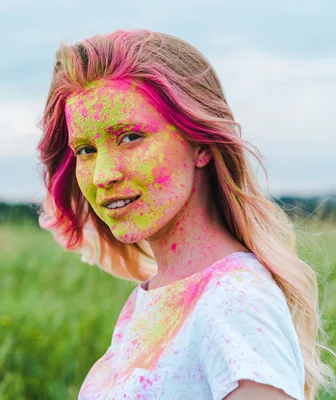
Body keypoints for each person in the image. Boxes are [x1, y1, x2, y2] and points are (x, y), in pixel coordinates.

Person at [35, 29, 335, 400]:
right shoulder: (154, 296)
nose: (103, 175)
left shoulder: (235, 300)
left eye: (130, 137)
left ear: (201, 145)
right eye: (85, 150)